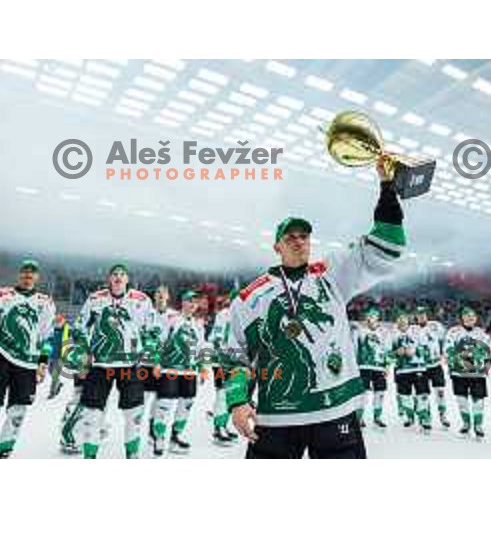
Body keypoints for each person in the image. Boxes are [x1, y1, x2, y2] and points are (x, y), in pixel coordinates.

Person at [226, 160, 406, 459]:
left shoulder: (331, 274)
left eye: (304, 236)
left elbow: (386, 245)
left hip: (335, 409)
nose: (299, 241)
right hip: (277, 415)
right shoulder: (249, 297)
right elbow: (234, 354)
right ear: (277, 247)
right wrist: (237, 400)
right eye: (290, 237)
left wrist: (387, 187)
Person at [0, 259, 55, 459]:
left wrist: (42, 363)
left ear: (37, 276)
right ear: (19, 274)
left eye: (32, 272)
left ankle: (3, 456)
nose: (28, 275)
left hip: (28, 365)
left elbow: (46, 336)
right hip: (0, 359)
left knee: (17, 415)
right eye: (25, 271)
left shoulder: (45, 302)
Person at [73, 263, 154, 459]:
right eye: (114, 274)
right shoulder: (95, 299)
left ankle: (132, 455)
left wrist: (150, 357)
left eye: (122, 274)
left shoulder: (141, 300)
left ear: (127, 279)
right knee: (92, 415)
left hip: (130, 365)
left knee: (134, 414)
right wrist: (83, 354)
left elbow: (152, 331)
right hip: (100, 364)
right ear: (109, 279)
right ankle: (89, 456)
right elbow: (79, 327)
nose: (118, 277)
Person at [141, 289, 205, 455]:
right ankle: (159, 437)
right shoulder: (171, 319)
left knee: (186, 406)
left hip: (190, 372)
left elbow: (200, 348)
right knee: (165, 405)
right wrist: (156, 362)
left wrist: (203, 367)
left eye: (195, 302)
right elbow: (158, 341)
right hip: (170, 369)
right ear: (182, 302)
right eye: (189, 301)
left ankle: (175, 437)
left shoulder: (198, 324)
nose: (192, 305)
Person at [445, 307, 491, 438]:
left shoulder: (482, 333)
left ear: (476, 318)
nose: (470, 318)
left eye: (473, 315)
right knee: (462, 400)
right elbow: (448, 349)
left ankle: (478, 425)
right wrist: (455, 360)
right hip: (458, 373)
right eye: (467, 315)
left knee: (478, 400)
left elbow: (489, 350)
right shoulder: (453, 332)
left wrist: (485, 364)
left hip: (477, 374)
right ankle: (466, 424)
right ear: (462, 318)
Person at [389, 309, 431, 431]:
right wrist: (396, 353)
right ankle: (410, 416)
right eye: (399, 319)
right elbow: (387, 355)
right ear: (396, 322)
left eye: (404, 319)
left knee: (422, 394)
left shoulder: (417, 332)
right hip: (401, 370)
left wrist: (415, 351)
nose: (402, 321)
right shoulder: (392, 335)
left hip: (419, 368)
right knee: (404, 396)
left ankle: (424, 417)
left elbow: (427, 349)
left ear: (408, 320)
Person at [208, 289, 240, 444]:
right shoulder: (224, 314)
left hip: (233, 360)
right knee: (222, 393)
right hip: (221, 360)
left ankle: (223, 425)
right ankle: (218, 428)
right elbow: (217, 338)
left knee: (229, 394)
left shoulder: (242, 315)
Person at [412, 305, 450, 428]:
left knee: (440, 391)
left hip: (436, 365)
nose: (421, 317)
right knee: (423, 394)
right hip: (420, 366)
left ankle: (443, 415)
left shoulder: (436, 326)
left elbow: (445, 340)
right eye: (419, 315)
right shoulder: (412, 330)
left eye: (423, 314)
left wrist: (444, 354)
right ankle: (425, 417)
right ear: (416, 317)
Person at [354, 307, 390, 428]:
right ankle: (359, 417)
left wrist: (387, 366)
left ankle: (377, 417)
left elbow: (387, 350)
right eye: (369, 316)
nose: (371, 319)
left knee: (380, 392)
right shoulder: (360, 331)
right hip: (364, 366)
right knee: (363, 393)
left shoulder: (384, 332)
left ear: (377, 318)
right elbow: (354, 348)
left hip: (379, 367)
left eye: (374, 317)